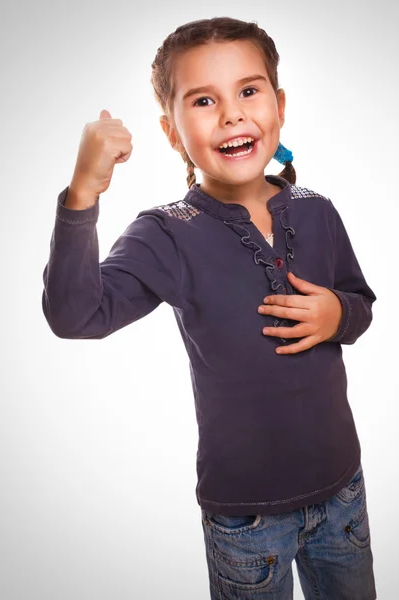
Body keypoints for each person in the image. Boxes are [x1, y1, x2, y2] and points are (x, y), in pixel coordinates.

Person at [41, 16, 378, 600]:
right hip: (245, 522)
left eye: (248, 91)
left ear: (278, 105)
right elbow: (75, 316)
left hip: (342, 491)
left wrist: (337, 316)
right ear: (172, 131)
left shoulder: (318, 209)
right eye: (203, 100)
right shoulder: (167, 232)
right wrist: (83, 192)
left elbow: (362, 305)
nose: (231, 114)